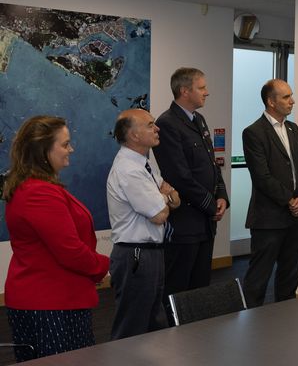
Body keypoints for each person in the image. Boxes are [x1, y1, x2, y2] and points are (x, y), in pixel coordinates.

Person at [1, 115, 110, 362]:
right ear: (43, 151)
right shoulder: (39, 193)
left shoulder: (34, 187)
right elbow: (69, 250)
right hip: (51, 306)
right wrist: (104, 265)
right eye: (65, 144)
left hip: (49, 302)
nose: (71, 149)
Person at [152, 67, 229, 317]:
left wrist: (221, 197)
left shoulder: (198, 119)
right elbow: (179, 177)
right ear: (185, 91)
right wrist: (210, 205)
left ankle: (198, 341)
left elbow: (211, 164)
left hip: (205, 222)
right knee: (178, 290)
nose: (207, 92)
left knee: (200, 287)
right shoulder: (167, 123)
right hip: (185, 223)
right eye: (202, 87)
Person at [107, 109, 180, 339]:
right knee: (132, 327)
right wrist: (165, 197)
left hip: (150, 253)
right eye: (150, 125)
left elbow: (174, 197)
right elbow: (160, 214)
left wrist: (165, 197)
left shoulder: (144, 163)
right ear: (134, 135)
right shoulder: (128, 169)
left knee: (154, 322)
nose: (157, 128)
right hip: (136, 256)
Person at [242, 79, 298, 307]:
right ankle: (250, 327)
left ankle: (285, 325)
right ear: (271, 102)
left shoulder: (293, 129)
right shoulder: (253, 132)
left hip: (295, 218)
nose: (292, 101)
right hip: (268, 218)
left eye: (291, 95)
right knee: (258, 280)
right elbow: (262, 177)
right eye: (286, 97)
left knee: (289, 278)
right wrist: (290, 200)